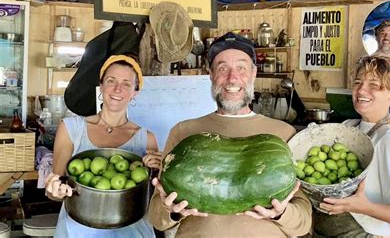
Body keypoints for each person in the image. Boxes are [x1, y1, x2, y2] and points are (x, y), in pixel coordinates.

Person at [148, 32, 312, 237]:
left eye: (241, 68)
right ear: (211, 75)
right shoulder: (183, 132)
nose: (232, 78)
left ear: (253, 73)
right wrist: (170, 212)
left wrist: (282, 214)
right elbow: (156, 217)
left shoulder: (284, 134)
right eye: (222, 68)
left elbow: (304, 222)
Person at [45, 54, 161, 237]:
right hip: (78, 231)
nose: (117, 89)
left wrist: (160, 171)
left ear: (135, 92)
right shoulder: (71, 129)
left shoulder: (146, 139)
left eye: (126, 84)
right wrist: (54, 191)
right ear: (101, 86)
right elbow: (56, 186)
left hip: (132, 232)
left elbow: (154, 198)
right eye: (111, 80)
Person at [313, 55, 390, 237]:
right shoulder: (349, 126)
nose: (362, 90)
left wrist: (363, 207)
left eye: (374, 84)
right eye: (358, 82)